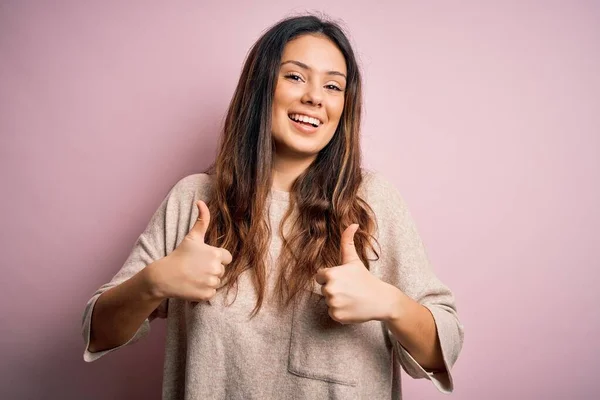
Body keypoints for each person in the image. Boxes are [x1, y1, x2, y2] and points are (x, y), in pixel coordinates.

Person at [82, 14, 464, 400]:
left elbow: (443, 347)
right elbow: (98, 332)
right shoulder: (194, 200)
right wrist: (155, 281)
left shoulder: (372, 201)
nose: (315, 97)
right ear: (261, 87)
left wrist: (389, 303)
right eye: (295, 76)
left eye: (333, 86)